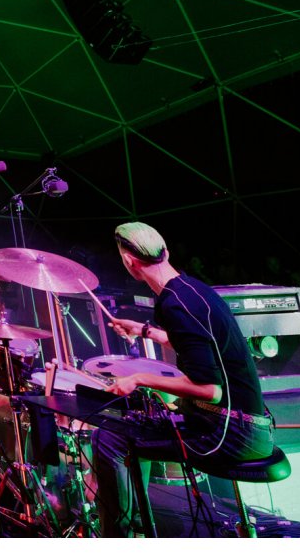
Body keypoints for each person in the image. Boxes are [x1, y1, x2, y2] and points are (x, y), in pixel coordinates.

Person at [91, 223, 275, 537]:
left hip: (231, 432)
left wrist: (139, 378)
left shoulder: (175, 306)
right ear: (166, 252)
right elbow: (199, 348)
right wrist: (143, 330)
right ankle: (136, 522)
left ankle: (118, 537)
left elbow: (209, 391)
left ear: (129, 262)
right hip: (252, 425)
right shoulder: (191, 288)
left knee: (108, 439)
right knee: (133, 428)